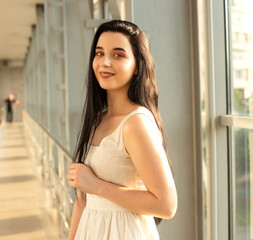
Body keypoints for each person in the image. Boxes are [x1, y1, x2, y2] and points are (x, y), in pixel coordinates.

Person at [66, 20, 178, 240]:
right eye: (99, 53)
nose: (105, 62)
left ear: (137, 66)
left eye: (118, 55)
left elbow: (167, 205)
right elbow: (83, 197)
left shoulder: (136, 123)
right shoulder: (97, 119)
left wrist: (97, 186)